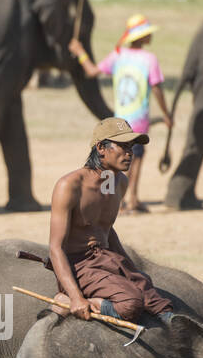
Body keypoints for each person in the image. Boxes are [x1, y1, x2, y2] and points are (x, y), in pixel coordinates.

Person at [48, 118, 177, 325]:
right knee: (132, 303)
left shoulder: (119, 182)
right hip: (79, 265)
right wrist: (74, 296)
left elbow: (105, 228)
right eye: (123, 146)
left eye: (131, 147)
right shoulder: (69, 185)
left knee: (150, 293)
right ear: (101, 148)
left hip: (105, 257)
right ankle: (72, 300)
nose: (129, 153)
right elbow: (55, 248)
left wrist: (129, 267)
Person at [69, 16, 173, 215]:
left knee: (120, 159)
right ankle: (129, 200)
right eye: (147, 33)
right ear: (141, 37)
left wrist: (80, 52)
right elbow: (157, 88)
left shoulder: (117, 55)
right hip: (140, 120)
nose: (150, 35)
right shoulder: (149, 59)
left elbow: (91, 71)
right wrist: (166, 114)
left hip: (120, 123)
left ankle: (127, 199)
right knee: (135, 159)